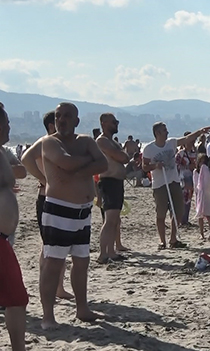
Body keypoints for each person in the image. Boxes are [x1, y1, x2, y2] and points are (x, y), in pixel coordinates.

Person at [40, 102, 108, 329]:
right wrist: (88, 163)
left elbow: (104, 163)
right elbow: (66, 164)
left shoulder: (86, 141)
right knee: (53, 264)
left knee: (82, 262)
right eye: (58, 115)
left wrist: (79, 167)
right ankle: (48, 316)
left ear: (77, 120)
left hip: (83, 211)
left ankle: (82, 308)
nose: (62, 119)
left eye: (67, 116)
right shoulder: (50, 142)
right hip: (59, 210)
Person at [20, 111, 73, 299]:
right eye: (62, 121)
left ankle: (58, 286)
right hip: (47, 198)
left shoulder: (57, 144)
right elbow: (25, 159)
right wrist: (44, 179)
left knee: (55, 246)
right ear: (52, 125)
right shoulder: (46, 142)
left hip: (58, 198)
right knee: (50, 247)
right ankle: (53, 286)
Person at [142, 121, 210, 249]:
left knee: (178, 211)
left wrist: (200, 131)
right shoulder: (149, 148)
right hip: (160, 184)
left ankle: (173, 239)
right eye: (164, 130)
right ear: (157, 133)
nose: (167, 132)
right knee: (161, 213)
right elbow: (144, 167)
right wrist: (155, 166)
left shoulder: (171, 143)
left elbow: (186, 139)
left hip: (174, 181)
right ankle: (162, 241)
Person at [0, 104, 29, 351]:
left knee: (16, 298)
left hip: (3, 238)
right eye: (6, 121)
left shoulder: (2, 152)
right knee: (16, 298)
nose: (10, 126)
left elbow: (23, 170)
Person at [95, 113, 131, 264]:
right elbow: (122, 157)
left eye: (116, 121)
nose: (116, 124)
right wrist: (126, 152)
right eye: (113, 122)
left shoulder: (111, 141)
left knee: (115, 220)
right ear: (104, 123)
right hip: (109, 182)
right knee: (109, 220)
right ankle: (103, 254)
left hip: (116, 182)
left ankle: (111, 251)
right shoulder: (102, 141)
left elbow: (123, 157)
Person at [194, 153, 210, 240]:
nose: (202, 164)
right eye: (200, 162)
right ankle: (201, 234)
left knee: (208, 213)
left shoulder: (209, 171)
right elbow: (195, 183)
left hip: (207, 194)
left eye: (203, 161)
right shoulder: (196, 172)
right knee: (200, 215)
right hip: (199, 194)